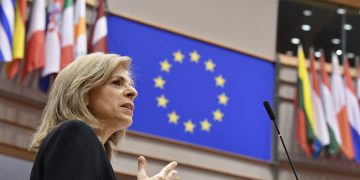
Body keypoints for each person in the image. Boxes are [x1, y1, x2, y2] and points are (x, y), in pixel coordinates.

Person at [29, 52, 178, 180]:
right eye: (116, 83)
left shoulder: (89, 148)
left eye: (129, 84)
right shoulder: (74, 132)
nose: (133, 92)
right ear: (84, 94)